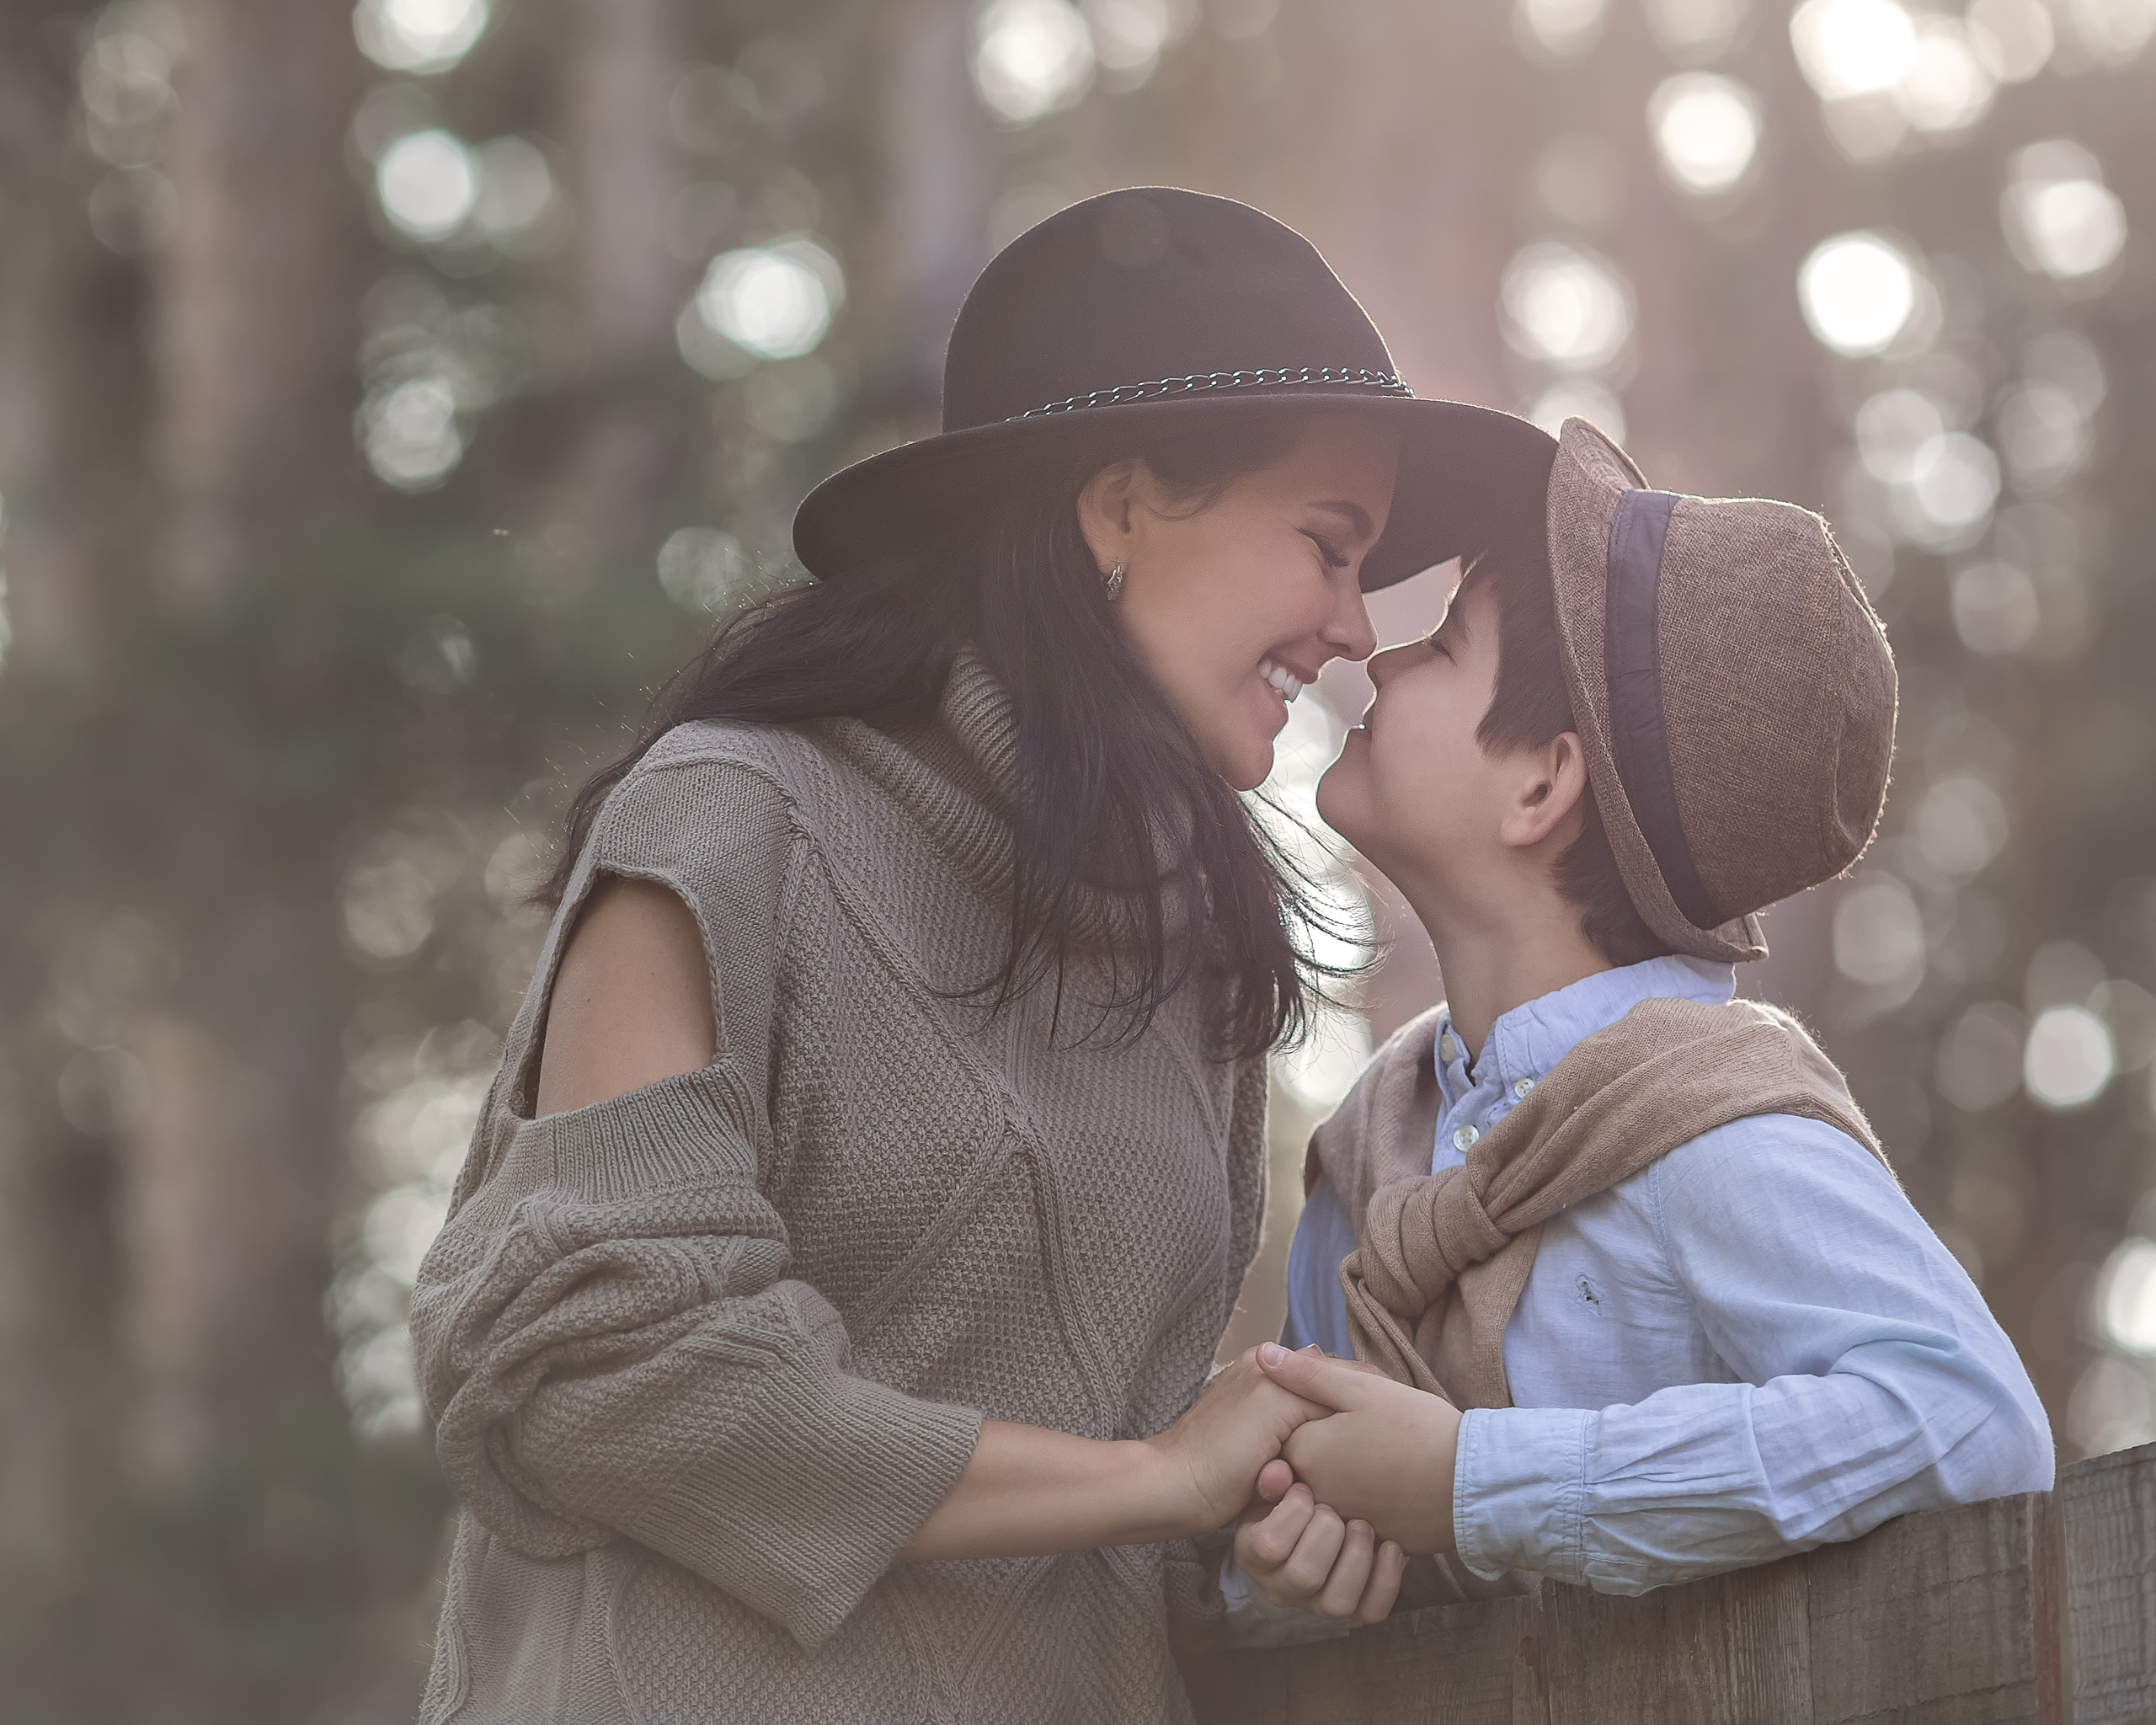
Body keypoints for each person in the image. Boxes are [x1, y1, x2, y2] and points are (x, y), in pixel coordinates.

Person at [406, 187, 1555, 1723]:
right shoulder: (730, 827)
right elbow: (598, 1372)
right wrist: (1152, 1480)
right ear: (1121, 505)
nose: (1355, 630)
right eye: (1329, 546)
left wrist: (1244, 1530)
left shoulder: (1186, 957)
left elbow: (1109, 1470)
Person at [1223, 418, 2054, 1637]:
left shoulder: (1705, 1120)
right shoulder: (1374, 1150)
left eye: (1447, 647)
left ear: (1542, 785)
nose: (1386, 661)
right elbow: (1289, 1567)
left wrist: (1476, 1484)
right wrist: (1281, 1572)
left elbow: (1972, 1420)